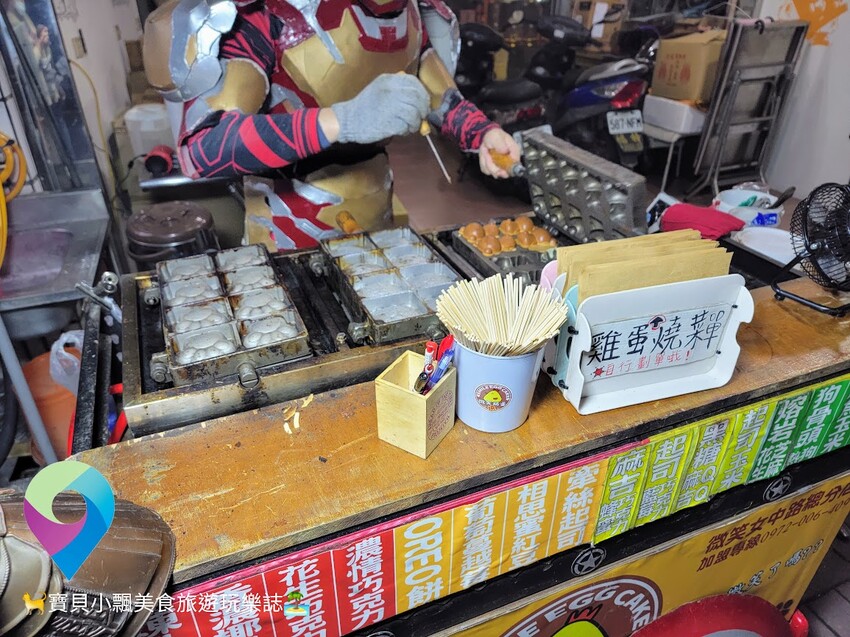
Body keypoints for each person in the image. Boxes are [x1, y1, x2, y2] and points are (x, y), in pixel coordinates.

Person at [144, 0, 521, 249]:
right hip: (287, 222)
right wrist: (339, 121)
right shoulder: (266, 14)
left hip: (377, 203)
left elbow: (429, 84)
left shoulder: (410, 12)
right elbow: (205, 147)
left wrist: (481, 132)